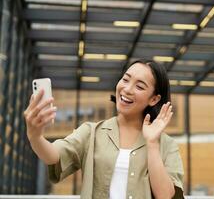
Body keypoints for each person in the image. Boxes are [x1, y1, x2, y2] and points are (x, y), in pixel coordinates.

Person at [24, 59, 184, 199]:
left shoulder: (167, 145)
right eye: (125, 79)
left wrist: (152, 144)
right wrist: (35, 136)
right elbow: (53, 156)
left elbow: (165, 196)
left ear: (154, 99)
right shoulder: (91, 132)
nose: (127, 89)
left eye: (140, 87)